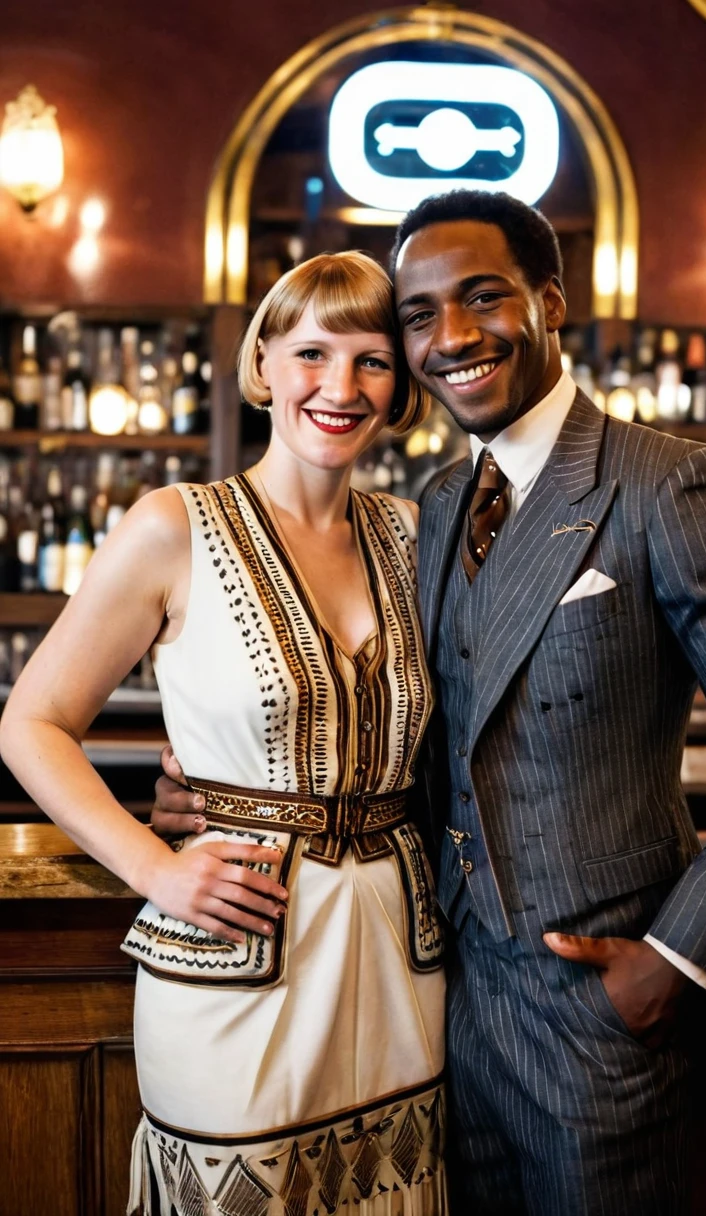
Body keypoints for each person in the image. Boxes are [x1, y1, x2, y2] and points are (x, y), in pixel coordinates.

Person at [153, 192, 706, 1215]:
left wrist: (678, 956)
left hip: (609, 1020)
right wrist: (231, 785)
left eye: (483, 298)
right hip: (439, 1011)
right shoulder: (425, 508)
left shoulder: (670, 483)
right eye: (419, 315)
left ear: (549, 301)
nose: (452, 335)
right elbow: (404, 724)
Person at [0, 251, 447, 1215]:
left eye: (373, 361)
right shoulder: (174, 526)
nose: (341, 387)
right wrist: (156, 868)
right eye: (313, 353)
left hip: (400, 960)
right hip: (237, 953)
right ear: (263, 365)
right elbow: (30, 724)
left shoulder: (418, 536)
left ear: (402, 386)